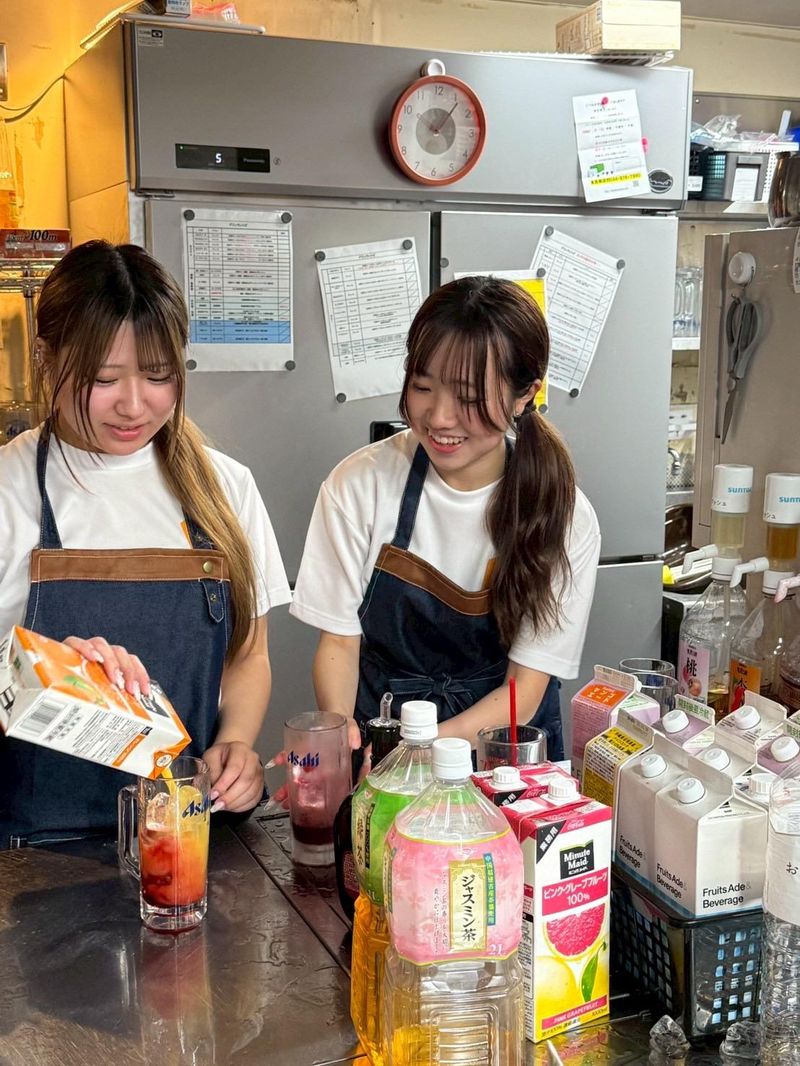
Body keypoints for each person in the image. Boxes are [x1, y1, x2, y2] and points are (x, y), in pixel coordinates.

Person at [0, 240, 291, 848]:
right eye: (103, 379)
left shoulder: (224, 487)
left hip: (187, 843)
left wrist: (235, 741)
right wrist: (46, 670)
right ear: (47, 359)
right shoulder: (9, 487)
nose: (134, 405)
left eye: (159, 376)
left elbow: (248, 656)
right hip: (36, 856)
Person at [290, 275, 601, 768]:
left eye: (469, 398)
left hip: (506, 752)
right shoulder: (360, 485)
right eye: (422, 386)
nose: (438, 417)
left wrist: (421, 753)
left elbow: (525, 685)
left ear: (525, 395)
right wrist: (340, 728)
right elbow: (339, 641)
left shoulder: (562, 516)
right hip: (381, 740)